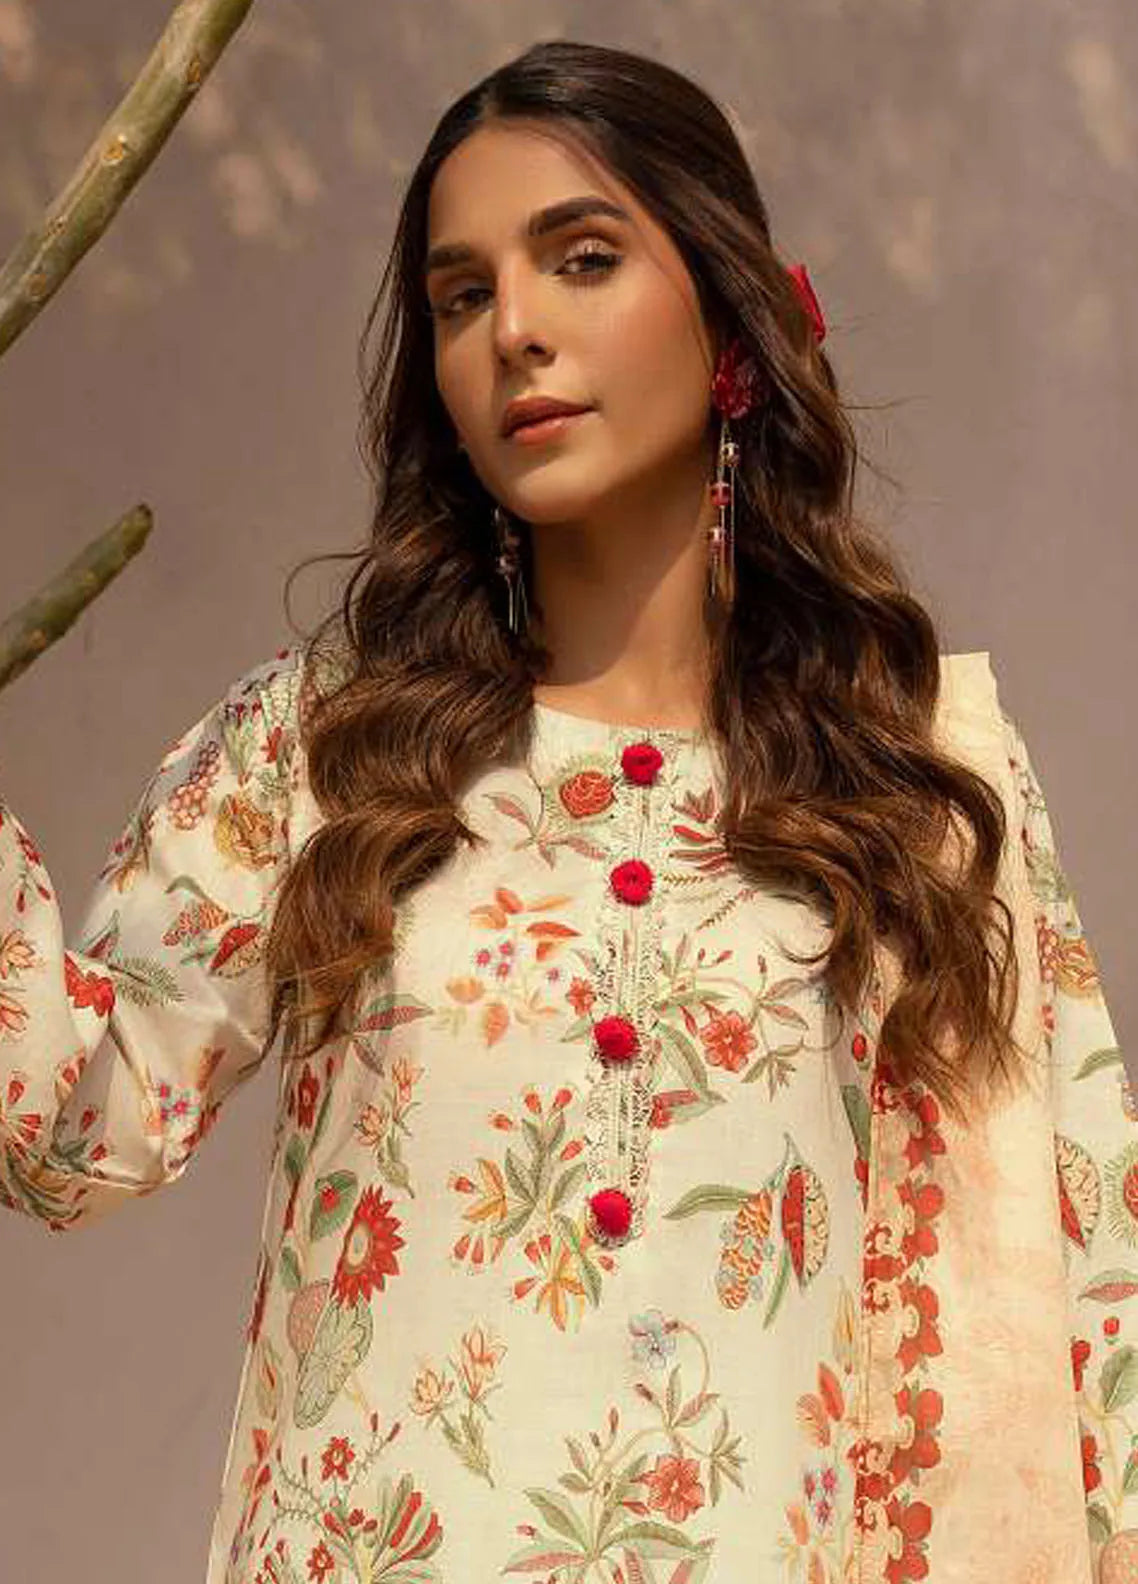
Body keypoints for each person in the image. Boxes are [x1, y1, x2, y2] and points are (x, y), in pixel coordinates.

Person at [1, 38, 1131, 1584]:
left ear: (726, 317)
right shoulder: (334, 747)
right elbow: (72, 1135)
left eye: (580, 260)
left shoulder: (904, 785)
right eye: (461, 297)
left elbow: (1089, 1326)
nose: (515, 329)